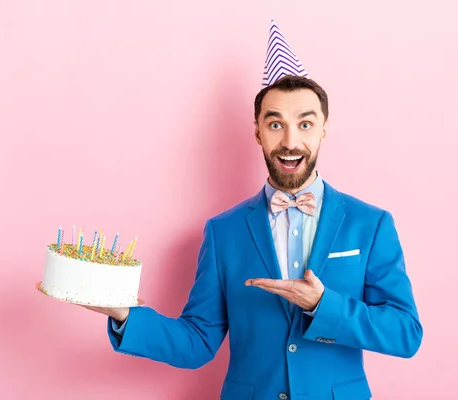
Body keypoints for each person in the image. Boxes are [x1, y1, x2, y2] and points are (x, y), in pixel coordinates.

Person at [83, 21, 423, 400]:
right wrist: (124, 315)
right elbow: (198, 340)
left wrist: (323, 306)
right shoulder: (223, 233)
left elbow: (405, 333)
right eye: (275, 124)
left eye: (305, 124)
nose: (290, 141)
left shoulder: (371, 225)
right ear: (258, 132)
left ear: (323, 129)